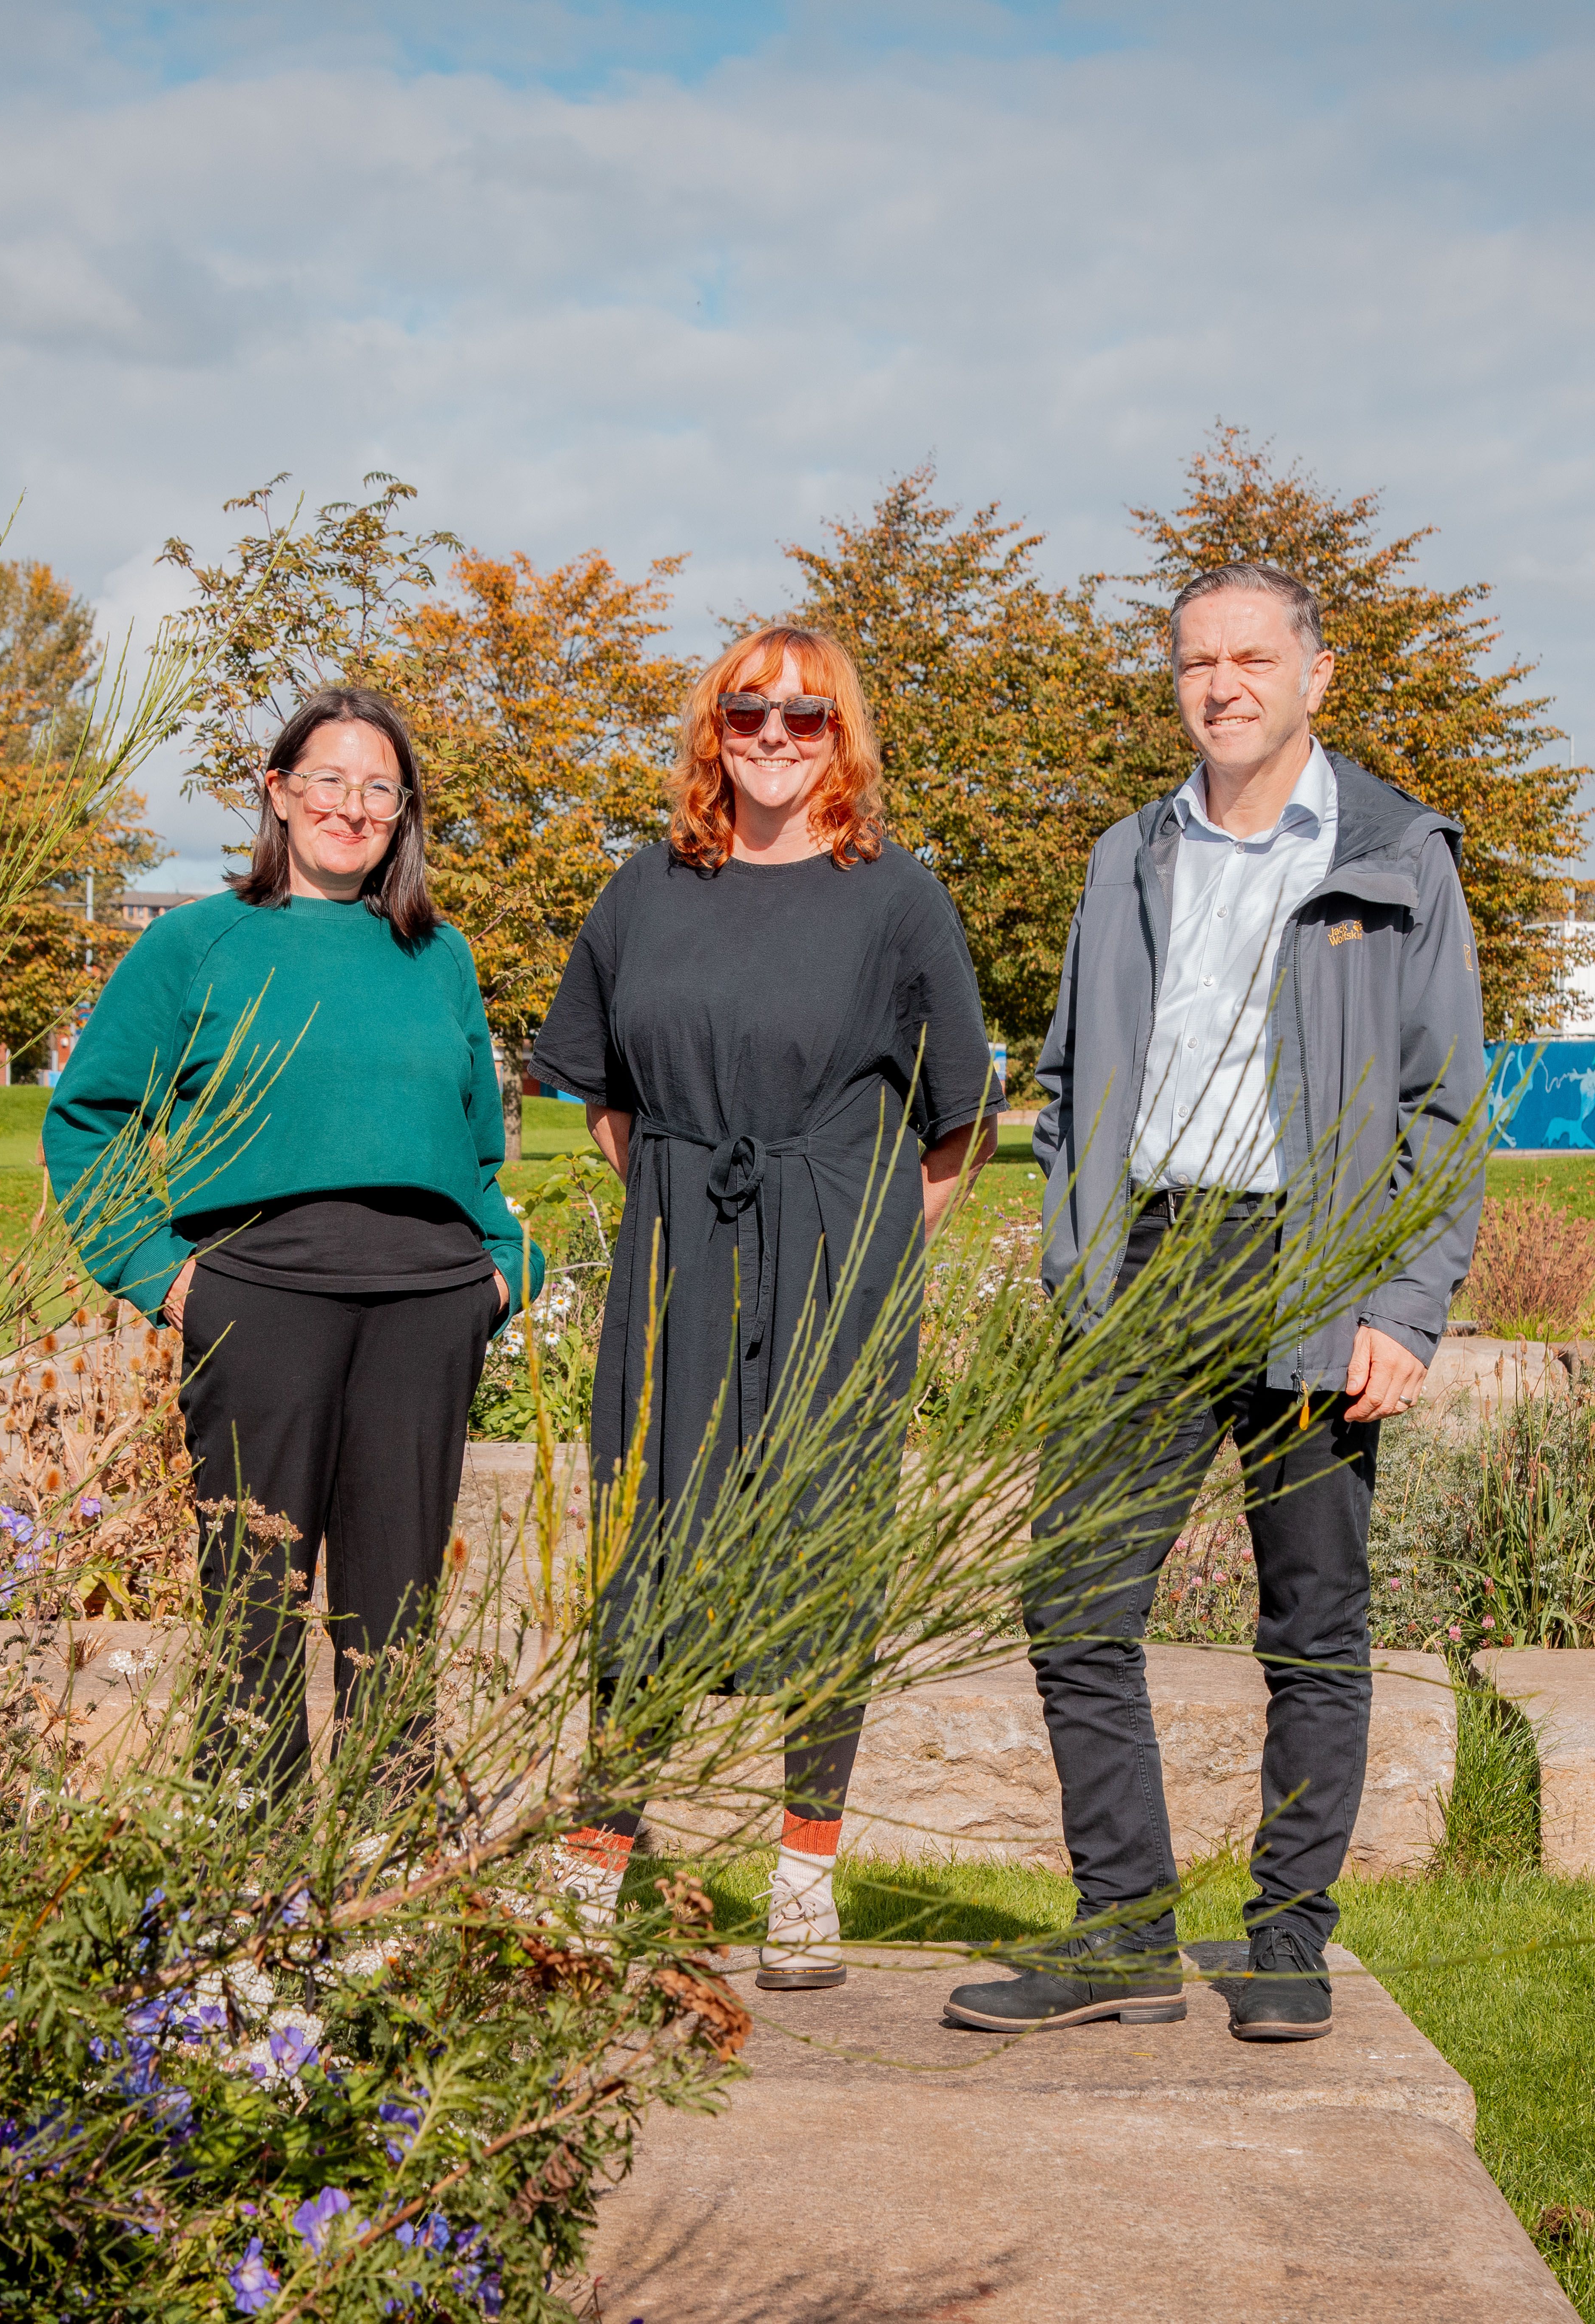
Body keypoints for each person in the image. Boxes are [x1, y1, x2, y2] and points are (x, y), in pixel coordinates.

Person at [946, 562, 1484, 2042]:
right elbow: (1064, 1087)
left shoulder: (1395, 857)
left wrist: (1408, 1303)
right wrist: (1079, 1256)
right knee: (1073, 1608)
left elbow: (1447, 1111)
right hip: (1146, 1269)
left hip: (1316, 1268)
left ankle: (1288, 1940)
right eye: (1197, 661)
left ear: (1318, 674)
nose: (1223, 683)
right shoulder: (1131, 855)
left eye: (1253, 658)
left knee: (1313, 1623)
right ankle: (1125, 1933)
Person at [527, 624, 998, 1988]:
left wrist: (860, 1244)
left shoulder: (898, 898)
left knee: (824, 1552)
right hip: (681, 1265)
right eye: (750, 715)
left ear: (843, 734)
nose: (777, 739)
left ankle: (805, 1875)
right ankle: (598, 1858)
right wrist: (685, 1203)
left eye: (806, 717)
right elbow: (607, 1096)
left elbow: (962, 1118)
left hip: (834, 1271)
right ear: (713, 729)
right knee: (649, 1545)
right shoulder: (647, 889)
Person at [43, 686, 538, 1796]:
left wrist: (502, 1272)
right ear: (277, 791)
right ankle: (252, 1902)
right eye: (328, 780)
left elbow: (479, 1149)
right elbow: (92, 1118)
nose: (351, 808)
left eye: (379, 789)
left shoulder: (438, 954)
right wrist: (162, 1275)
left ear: (403, 813)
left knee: (396, 1615)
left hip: (428, 1303)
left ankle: (385, 1875)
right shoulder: (195, 945)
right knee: (255, 1606)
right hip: (261, 1302)